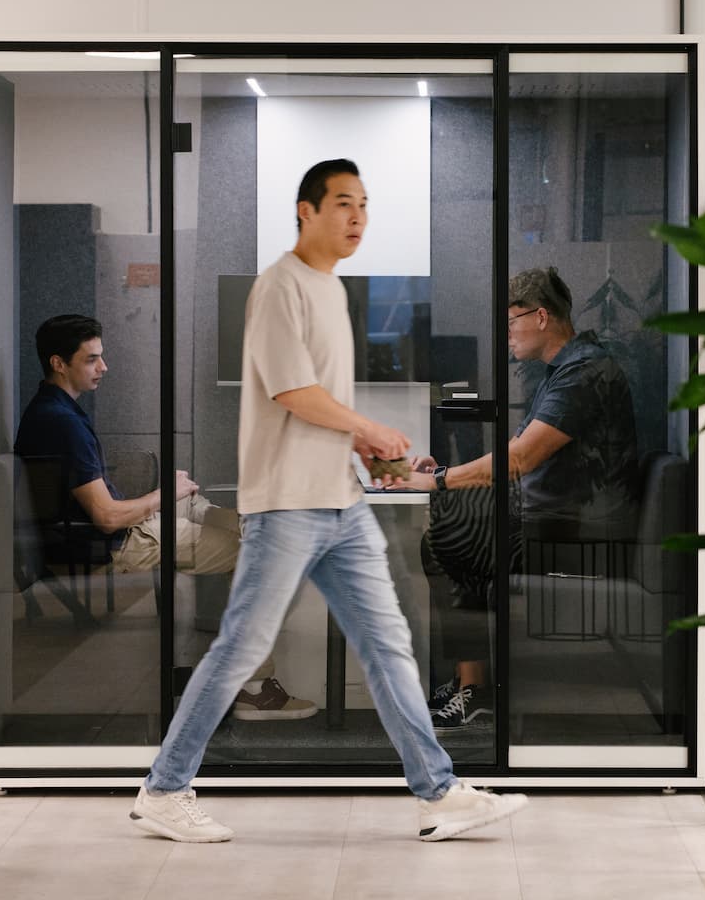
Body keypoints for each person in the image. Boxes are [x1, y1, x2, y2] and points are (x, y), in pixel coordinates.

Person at [128, 158, 529, 844]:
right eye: (343, 203)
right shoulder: (278, 288)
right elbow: (291, 393)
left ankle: (438, 793)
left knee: (388, 642)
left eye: (365, 205)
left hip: (339, 505)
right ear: (305, 211)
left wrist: (366, 450)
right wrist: (367, 427)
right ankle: (165, 789)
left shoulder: (331, 292)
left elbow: (319, 409)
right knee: (240, 648)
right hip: (287, 505)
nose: (358, 218)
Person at [14, 313, 316, 722]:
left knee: (207, 508)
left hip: (105, 530)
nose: (104, 367)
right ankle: (255, 688)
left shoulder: (53, 409)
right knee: (252, 553)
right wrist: (162, 495)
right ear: (58, 363)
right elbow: (105, 517)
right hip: (113, 543)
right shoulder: (61, 422)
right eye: (92, 359)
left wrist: (169, 497)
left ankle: (257, 533)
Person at [392, 267, 639, 730]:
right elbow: (518, 455)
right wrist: (444, 473)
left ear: (541, 316)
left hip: (577, 526)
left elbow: (519, 459)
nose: (506, 335)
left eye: (510, 323)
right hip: (553, 514)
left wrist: (440, 483)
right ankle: (473, 682)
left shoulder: (584, 373)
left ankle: (474, 689)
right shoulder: (564, 371)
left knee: (451, 540)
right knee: (451, 532)